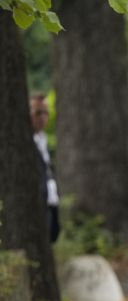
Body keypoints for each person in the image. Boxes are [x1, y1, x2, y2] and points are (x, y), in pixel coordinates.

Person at [30, 93, 60, 243]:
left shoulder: (44, 140)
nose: (42, 117)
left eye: (45, 112)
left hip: (51, 201)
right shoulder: (27, 143)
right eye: (38, 112)